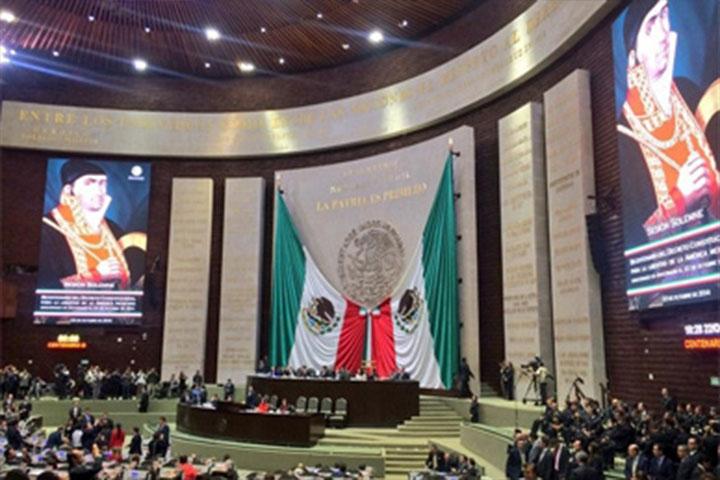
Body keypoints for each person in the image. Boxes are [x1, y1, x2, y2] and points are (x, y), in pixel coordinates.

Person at [617, 0, 719, 246]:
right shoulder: (625, 137)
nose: (663, 32)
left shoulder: (689, 93)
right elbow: (636, 242)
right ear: (633, 57)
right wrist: (681, 198)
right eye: (651, 24)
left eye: (665, 15)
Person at [38, 159, 144, 290]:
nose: (98, 190)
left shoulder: (113, 229)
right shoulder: (47, 229)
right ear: (69, 190)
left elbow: (130, 285)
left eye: (102, 183)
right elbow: (45, 288)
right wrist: (96, 275)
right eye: (89, 183)